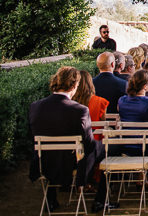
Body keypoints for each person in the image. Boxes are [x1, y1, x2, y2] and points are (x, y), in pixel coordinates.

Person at [29, 67, 110, 213]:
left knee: (55, 150)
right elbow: (89, 144)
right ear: (73, 86)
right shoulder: (79, 110)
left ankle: (51, 199)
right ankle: (100, 200)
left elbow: (33, 137)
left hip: (44, 162)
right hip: (73, 163)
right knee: (104, 150)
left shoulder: (35, 106)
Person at [72, 69, 109, 140]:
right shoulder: (101, 102)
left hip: (75, 141)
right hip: (95, 141)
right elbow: (103, 125)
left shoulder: (70, 102)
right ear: (90, 83)